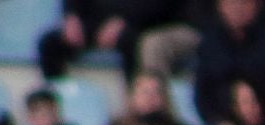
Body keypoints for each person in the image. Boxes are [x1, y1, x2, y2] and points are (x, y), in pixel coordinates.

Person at [194, 0, 265, 125]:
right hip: (225, 123)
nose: (237, 9)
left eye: (244, 3)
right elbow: (204, 93)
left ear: (257, 5)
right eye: (231, 3)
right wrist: (221, 122)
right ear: (219, 7)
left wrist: (250, 99)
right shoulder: (210, 42)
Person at [39, 1, 190, 81]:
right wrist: (71, 15)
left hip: (140, 22)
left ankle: (134, 104)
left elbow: (163, 6)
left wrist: (125, 19)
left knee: (132, 42)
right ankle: (57, 99)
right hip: (96, 20)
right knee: (49, 43)